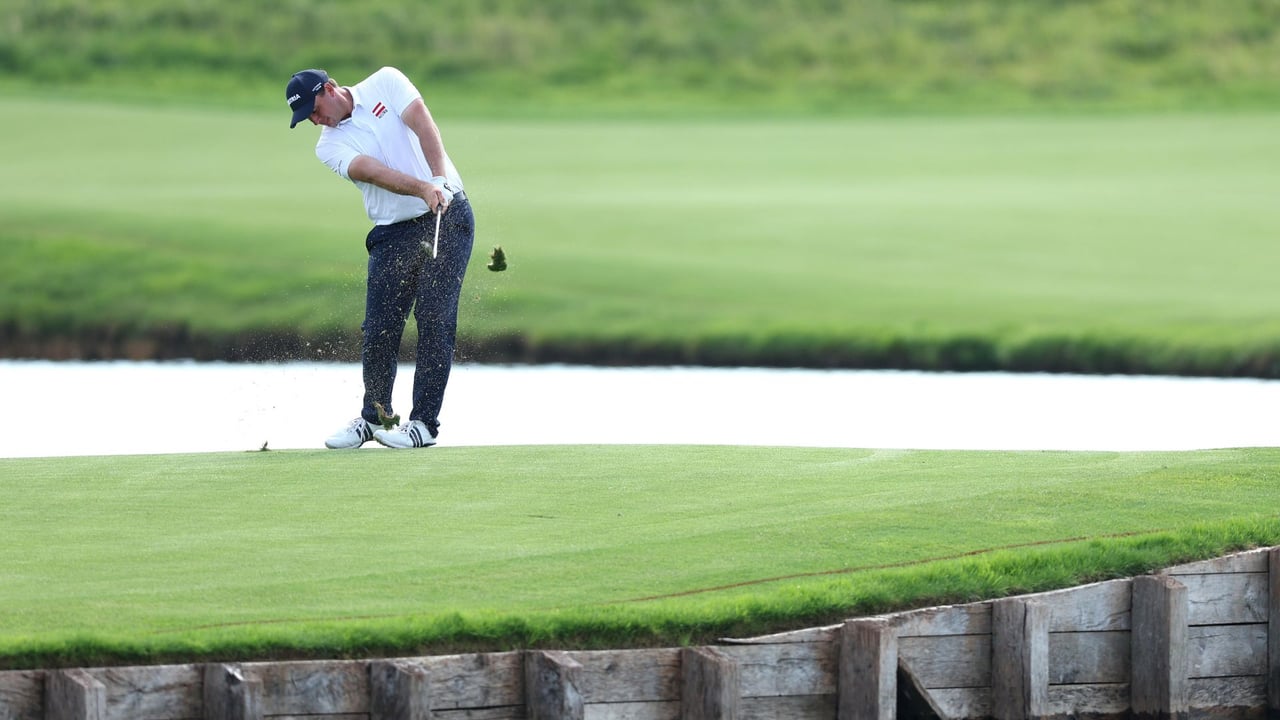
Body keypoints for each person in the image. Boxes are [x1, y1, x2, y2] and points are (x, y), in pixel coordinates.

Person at [286, 66, 475, 449]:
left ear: (330, 88)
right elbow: (371, 172)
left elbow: (423, 123)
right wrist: (423, 187)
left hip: (447, 215)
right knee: (379, 329)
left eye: (314, 108)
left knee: (435, 317)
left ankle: (423, 425)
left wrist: (438, 180)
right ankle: (374, 418)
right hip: (392, 232)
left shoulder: (385, 82)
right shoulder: (327, 146)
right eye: (306, 116)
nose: (314, 119)